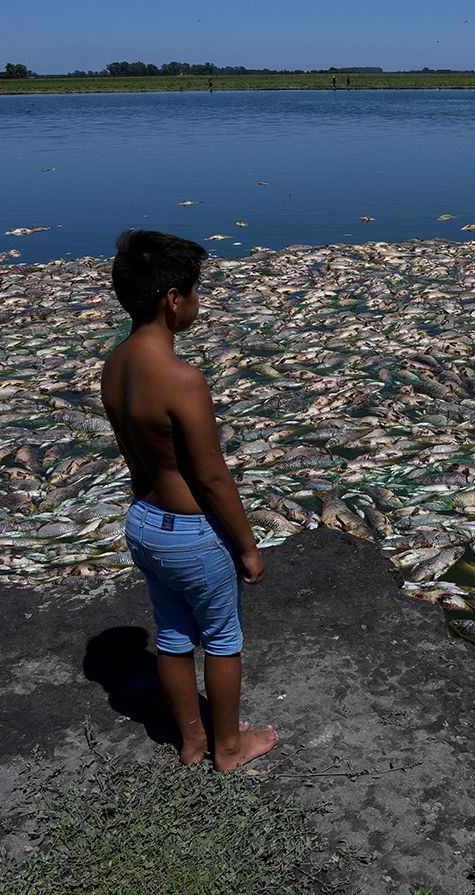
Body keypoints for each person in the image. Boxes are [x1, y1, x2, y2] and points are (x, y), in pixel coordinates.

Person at [101, 229, 276, 772]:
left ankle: (192, 739)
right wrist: (247, 546)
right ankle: (229, 747)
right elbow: (212, 478)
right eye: (196, 292)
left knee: (174, 637)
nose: (198, 302)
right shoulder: (182, 380)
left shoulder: (115, 364)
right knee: (223, 639)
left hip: (144, 523)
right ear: (173, 299)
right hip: (193, 533)